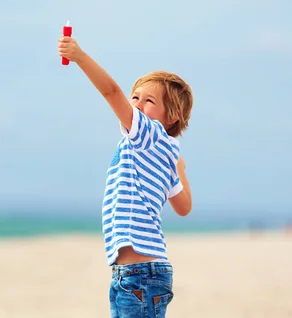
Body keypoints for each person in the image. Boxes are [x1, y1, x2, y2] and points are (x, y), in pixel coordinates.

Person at [58, 35, 194, 318]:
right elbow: (184, 207)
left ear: (172, 116)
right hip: (135, 274)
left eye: (149, 101)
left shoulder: (146, 134)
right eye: (136, 98)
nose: (138, 105)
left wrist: (80, 57)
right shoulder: (164, 152)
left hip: (139, 275)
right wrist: (179, 168)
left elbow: (110, 92)